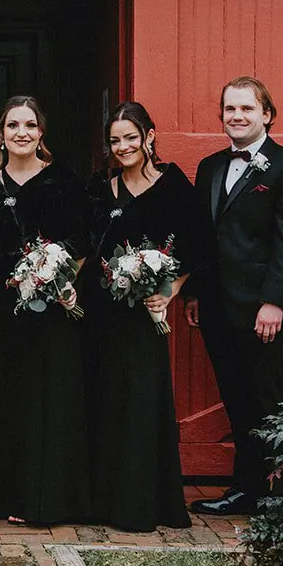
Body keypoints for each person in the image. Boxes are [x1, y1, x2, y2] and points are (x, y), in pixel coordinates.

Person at [185, 76, 283, 516]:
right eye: (229, 110)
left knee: (270, 397)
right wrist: (197, 295)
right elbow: (204, 238)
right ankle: (247, 489)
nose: (236, 117)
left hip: (264, 309)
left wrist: (275, 300)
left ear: (267, 115)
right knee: (238, 401)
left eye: (246, 109)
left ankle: (281, 494)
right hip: (219, 307)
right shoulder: (209, 167)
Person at [0, 95, 91, 525]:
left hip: (50, 306)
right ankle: (1, 497)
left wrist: (60, 280)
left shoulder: (62, 181)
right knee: (3, 398)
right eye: (13, 125)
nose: (22, 133)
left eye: (30, 125)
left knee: (47, 399)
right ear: (1, 135)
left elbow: (81, 242)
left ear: (41, 134)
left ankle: (43, 499)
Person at [84, 102, 197, 531]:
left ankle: (142, 503)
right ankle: (103, 502)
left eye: (131, 137)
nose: (123, 146)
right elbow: (88, 245)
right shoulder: (100, 186)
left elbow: (195, 245)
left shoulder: (172, 186)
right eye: (115, 140)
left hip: (143, 314)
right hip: (100, 311)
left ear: (149, 137)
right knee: (105, 397)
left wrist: (168, 292)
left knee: (141, 401)